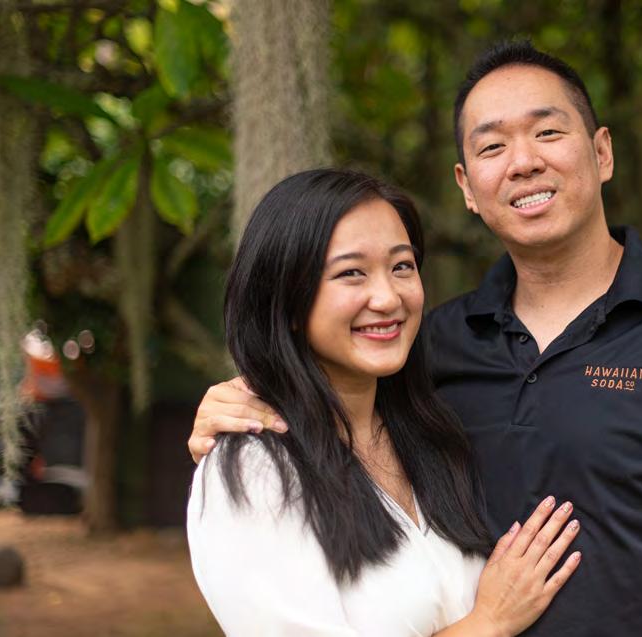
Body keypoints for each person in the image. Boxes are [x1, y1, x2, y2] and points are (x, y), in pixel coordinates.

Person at [190, 42, 642, 636]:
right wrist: (235, 408)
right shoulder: (428, 350)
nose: (523, 162)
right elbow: (320, 411)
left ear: (602, 152)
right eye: (493, 146)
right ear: (467, 186)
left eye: (547, 132)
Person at [186, 168, 582, 636]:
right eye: (351, 273)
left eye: (402, 267)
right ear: (287, 300)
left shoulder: (431, 436)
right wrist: (490, 622)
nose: (388, 297)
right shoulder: (256, 471)